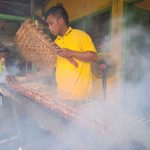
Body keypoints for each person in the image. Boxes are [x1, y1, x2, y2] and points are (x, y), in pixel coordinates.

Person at [45, 4, 97, 100]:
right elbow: (53, 68)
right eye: (48, 25)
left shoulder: (81, 35)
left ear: (61, 21)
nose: (49, 27)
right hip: (62, 96)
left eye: (51, 23)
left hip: (81, 97)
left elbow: (93, 57)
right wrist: (32, 76)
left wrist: (71, 53)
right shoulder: (55, 43)